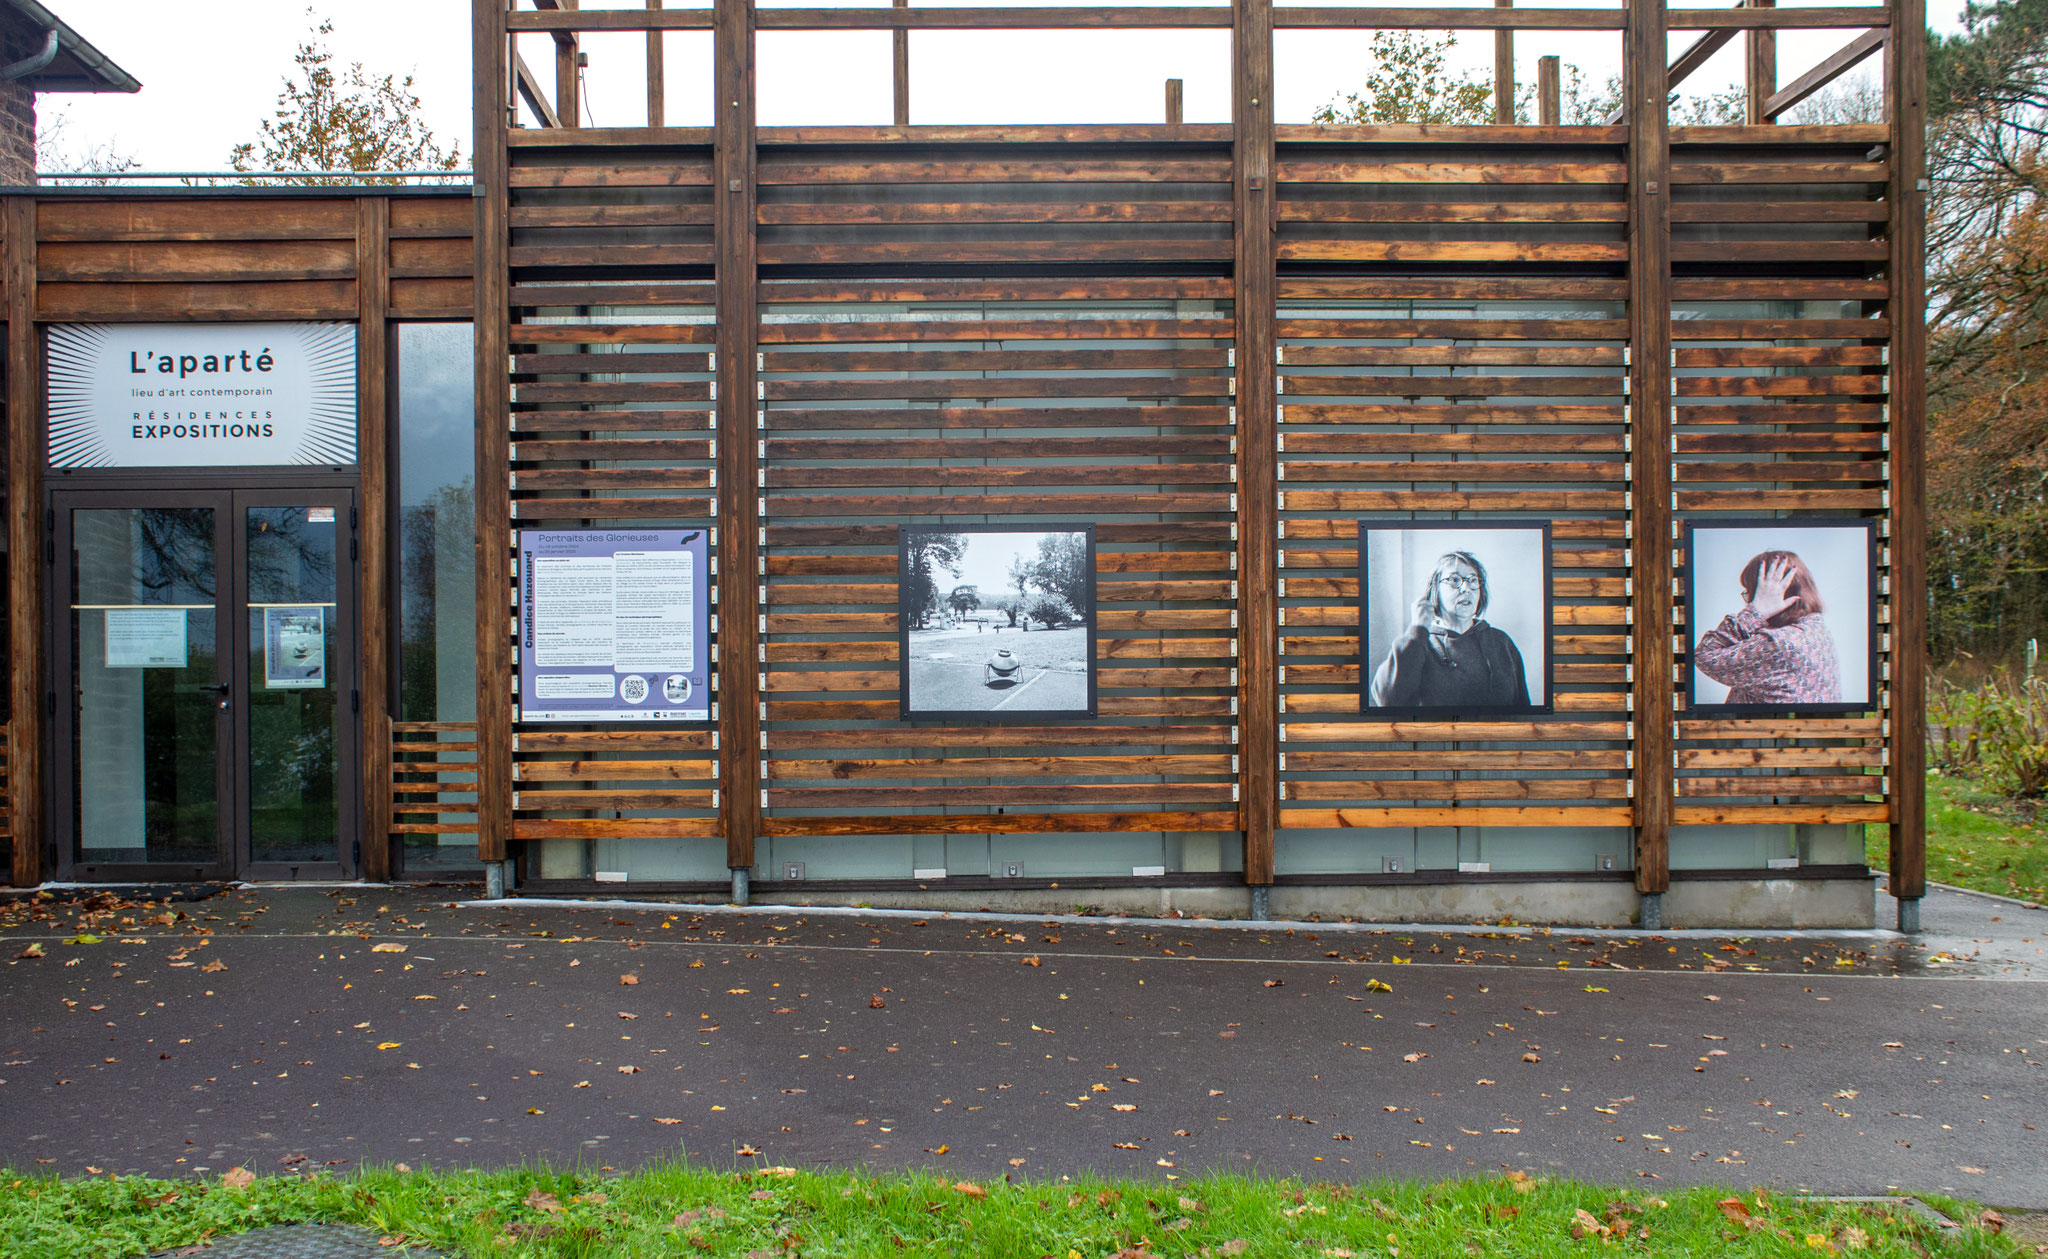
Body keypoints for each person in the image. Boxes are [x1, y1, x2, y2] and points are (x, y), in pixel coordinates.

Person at [1369, 550, 1530, 710]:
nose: (1466, 588)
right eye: (1454, 579)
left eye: (1473, 580)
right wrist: (1416, 632)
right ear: (1435, 590)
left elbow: (1523, 710)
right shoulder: (1418, 644)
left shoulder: (1501, 641)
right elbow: (1387, 701)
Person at [1693, 550, 1841, 704]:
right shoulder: (1816, 629)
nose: (1748, 601)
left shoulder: (1778, 642)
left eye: (1751, 593)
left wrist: (1756, 610)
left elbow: (1705, 655)